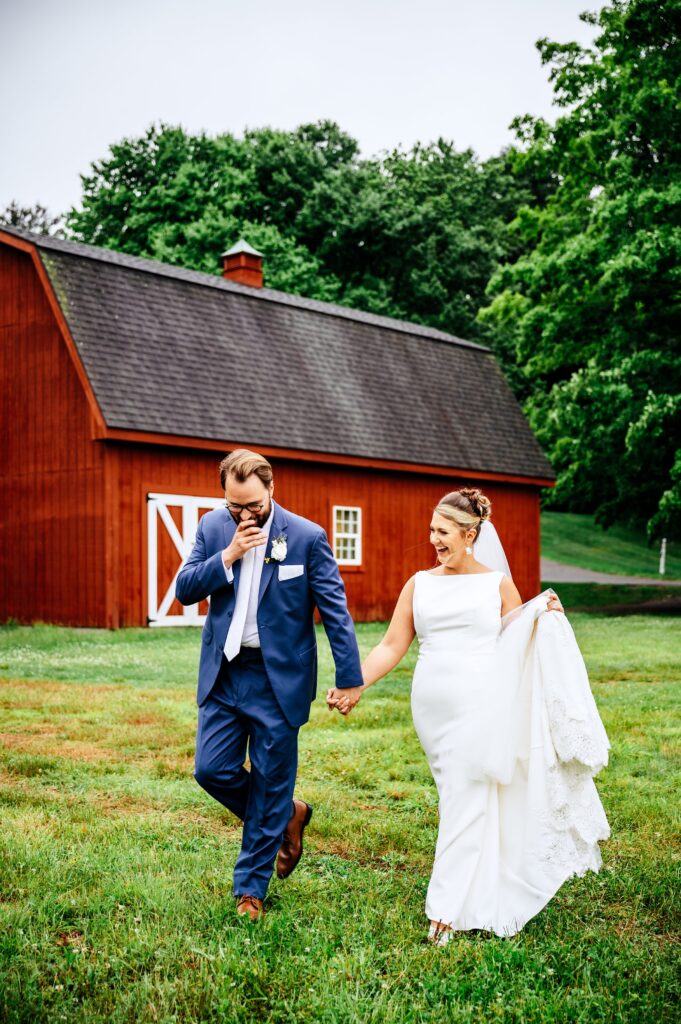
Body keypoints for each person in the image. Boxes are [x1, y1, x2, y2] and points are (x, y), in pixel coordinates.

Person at [327, 487, 610, 940]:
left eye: (442, 532)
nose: (433, 539)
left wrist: (543, 612)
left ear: (469, 533)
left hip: (482, 704)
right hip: (432, 711)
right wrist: (355, 683)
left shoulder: (496, 583)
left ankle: (444, 912)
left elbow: (519, 639)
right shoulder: (418, 583)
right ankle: (477, 891)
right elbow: (392, 644)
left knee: (465, 798)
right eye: (432, 531)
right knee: (460, 798)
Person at [176, 449, 363, 921]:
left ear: (271, 490)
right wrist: (230, 553)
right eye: (235, 505)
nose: (244, 514)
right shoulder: (212, 529)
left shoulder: (306, 537)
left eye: (253, 506)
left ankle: (250, 891)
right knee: (210, 770)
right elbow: (184, 589)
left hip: (280, 679)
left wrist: (350, 678)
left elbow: (335, 611)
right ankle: (287, 814)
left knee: (270, 778)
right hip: (225, 671)